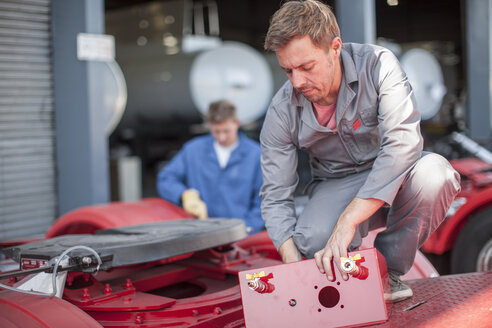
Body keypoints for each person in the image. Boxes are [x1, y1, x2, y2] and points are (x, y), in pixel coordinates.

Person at [260, 0, 461, 302]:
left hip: (396, 172)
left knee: (436, 175)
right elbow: (275, 195)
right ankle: (343, 282)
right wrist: (293, 266)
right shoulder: (282, 109)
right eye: (288, 70)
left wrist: (348, 220)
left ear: (335, 47)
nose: (297, 81)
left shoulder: (378, 64)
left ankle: (388, 271)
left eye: (306, 67)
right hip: (336, 183)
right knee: (313, 241)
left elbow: (403, 143)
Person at [157, 99, 264, 234]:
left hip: (242, 237)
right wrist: (183, 194)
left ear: (236, 123)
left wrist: (246, 229)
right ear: (209, 126)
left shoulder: (255, 154)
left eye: (226, 131)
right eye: (216, 131)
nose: (222, 137)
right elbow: (166, 179)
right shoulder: (193, 150)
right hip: (200, 234)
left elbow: (263, 202)